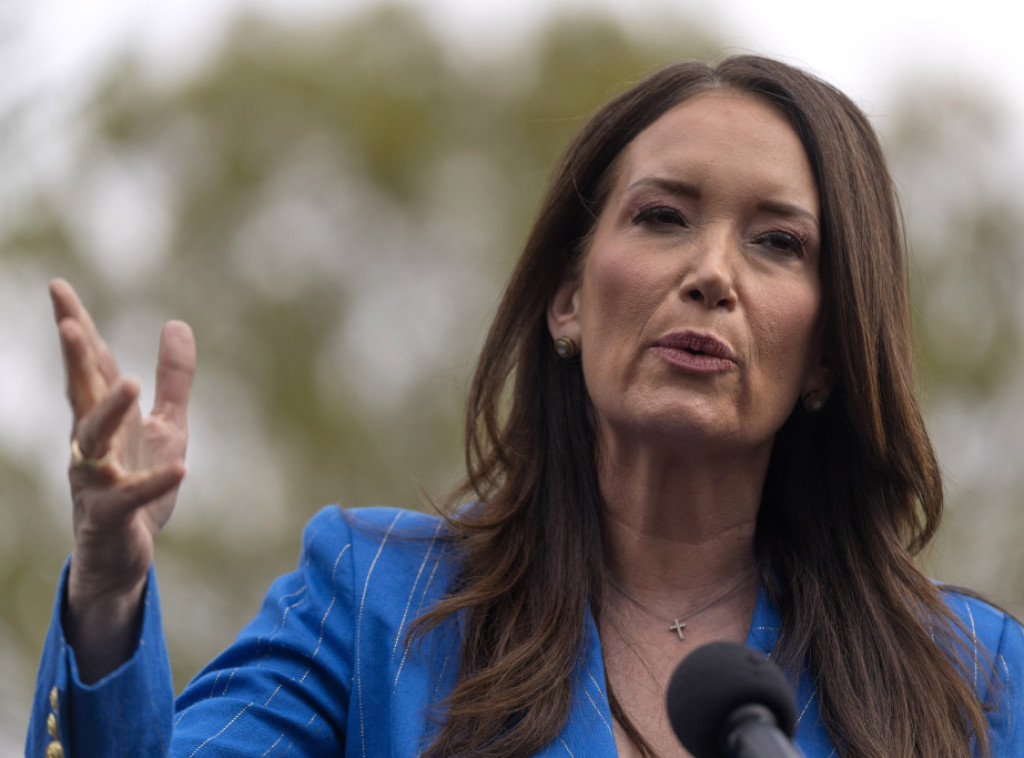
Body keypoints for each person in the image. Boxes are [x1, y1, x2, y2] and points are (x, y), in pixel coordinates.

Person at [26, 55, 1022, 758]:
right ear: (567, 299)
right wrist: (109, 590)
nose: (711, 273)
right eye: (662, 217)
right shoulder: (376, 604)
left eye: (776, 243)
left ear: (829, 354)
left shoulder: (971, 676)